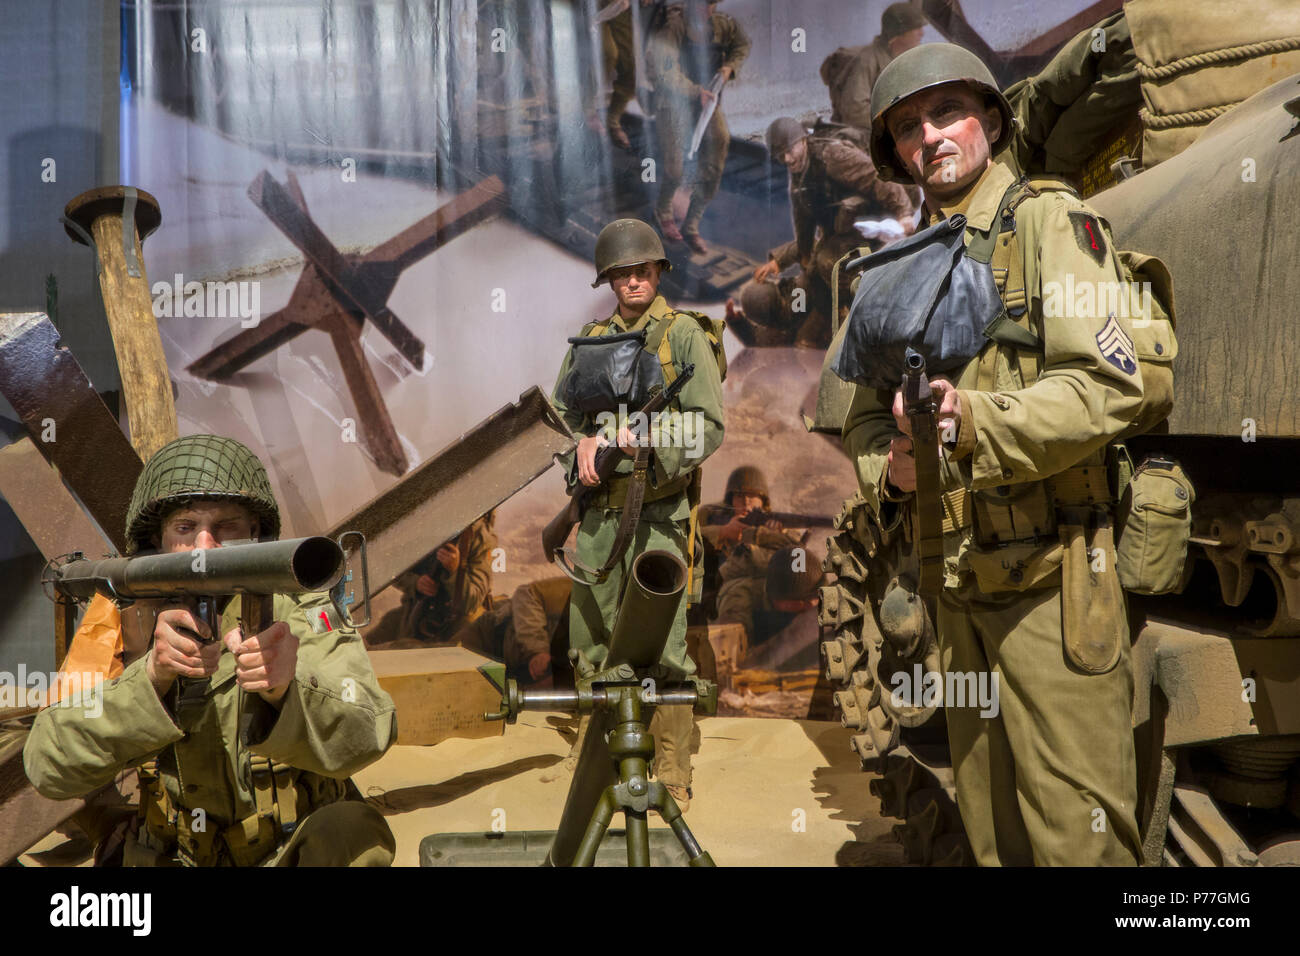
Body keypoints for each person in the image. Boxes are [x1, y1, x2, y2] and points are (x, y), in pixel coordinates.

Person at [840, 43, 1152, 865]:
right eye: (908, 127)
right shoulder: (891, 272)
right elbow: (863, 424)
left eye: (947, 113)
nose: (930, 137)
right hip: (954, 591)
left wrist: (973, 419)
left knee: (1078, 840)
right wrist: (891, 467)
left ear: (989, 117)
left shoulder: (1052, 223)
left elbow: (1108, 387)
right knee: (993, 840)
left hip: (1050, 586)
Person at [23, 435, 397, 866]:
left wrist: (288, 692)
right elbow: (49, 767)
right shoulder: (123, 616)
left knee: (351, 838)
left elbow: (370, 734)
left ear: (256, 533)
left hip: (289, 851)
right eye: (185, 528)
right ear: (158, 539)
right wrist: (149, 681)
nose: (204, 547)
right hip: (173, 854)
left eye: (227, 527)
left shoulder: (302, 607)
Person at [550, 218, 724, 810]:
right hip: (599, 518)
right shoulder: (591, 338)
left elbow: (710, 425)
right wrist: (579, 443)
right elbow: (561, 414)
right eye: (622, 273)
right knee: (593, 640)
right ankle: (594, 757)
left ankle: (670, 767)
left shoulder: (684, 337)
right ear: (609, 279)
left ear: (658, 272)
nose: (633, 281)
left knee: (661, 646)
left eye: (642, 270)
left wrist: (645, 436)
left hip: (657, 513)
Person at [730, 117, 917, 348]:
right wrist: (781, 261)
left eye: (789, 150)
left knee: (827, 262)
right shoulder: (799, 178)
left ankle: (865, 315)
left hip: (879, 221)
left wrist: (904, 213)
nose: (787, 159)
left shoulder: (832, 156)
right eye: (781, 157)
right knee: (809, 275)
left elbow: (875, 178)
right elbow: (805, 230)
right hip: (843, 237)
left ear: (803, 141)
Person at [647, 0, 750, 254]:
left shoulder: (722, 25)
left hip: (705, 102)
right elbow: (664, 71)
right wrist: (695, 91)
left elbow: (742, 45)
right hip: (673, 102)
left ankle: (692, 224)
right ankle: (663, 211)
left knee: (718, 146)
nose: (705, 10)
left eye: (710, 5)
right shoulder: (673, 28)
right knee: (675, 168)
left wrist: (729, 68)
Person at [701, 466, 804, 642]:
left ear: (763, 502)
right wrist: (724, 532)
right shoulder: (716, 519)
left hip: (765, 602)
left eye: (753, 496)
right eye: (740, 496)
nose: (746, 502)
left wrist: (766, 535)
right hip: (715, 598)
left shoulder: (777, 527)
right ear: (731, 500)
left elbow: (799, 557)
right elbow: (687, 538)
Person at [365, 512, 497, 646]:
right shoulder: (422, 521)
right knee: (365, 647)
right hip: (418, 611)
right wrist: (415, 583)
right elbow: (391, 566)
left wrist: (454, 572)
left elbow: (472, 602)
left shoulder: (478, 535)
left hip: (458, 620)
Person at [820, 1, 926, 131]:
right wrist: (895, 122)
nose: (922, 33)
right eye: (916, 28)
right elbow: (855, 111)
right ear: (900, 32)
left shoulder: (905, 60)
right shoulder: (866, 60)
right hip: (867, 135)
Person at [455, 577, 571, 685]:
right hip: (489, 639)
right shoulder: (574, 590)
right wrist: (537, 650)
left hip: (520, 677)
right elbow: (527, 593)